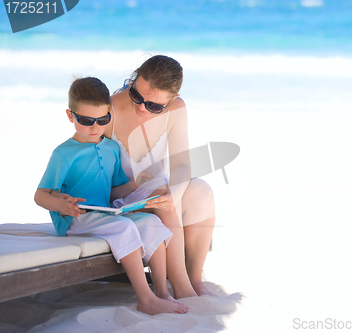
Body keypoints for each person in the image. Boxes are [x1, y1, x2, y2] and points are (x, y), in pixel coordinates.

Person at [34, 77, 189, 315]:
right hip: (75, 218)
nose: (95, 128)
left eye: (103, 120)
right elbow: (40, 195)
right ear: (70, 115)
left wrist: (136, 184)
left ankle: (162, 293)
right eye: (86, 121)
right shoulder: (64, 154)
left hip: (104, 213)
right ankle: (145, 298)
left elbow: (114, 191)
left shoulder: (111, 148)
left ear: (109, 114)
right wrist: (61, 205)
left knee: (150, 222)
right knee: (124, 228)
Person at [104, 55, 217, 298]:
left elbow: (181, 166)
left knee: (201, 192)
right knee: (161, 193)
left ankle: (194, 279)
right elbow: (96, 177)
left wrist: (174, 194)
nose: (142, 107)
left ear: (173, 100)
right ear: (133, 80)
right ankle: (181, 286)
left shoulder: (177, 108)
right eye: (136, 95)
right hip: (119, 199)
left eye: (154, 106)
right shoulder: (109, 108)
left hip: (157, 194)